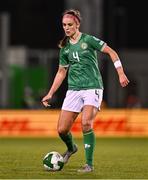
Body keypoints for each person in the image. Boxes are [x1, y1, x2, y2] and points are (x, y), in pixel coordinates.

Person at [42, 9, 129, 172]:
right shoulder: (65, 47)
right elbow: (61, 72)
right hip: (74, 90)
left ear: (77, 25)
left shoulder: (88, 40)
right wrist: (50, 93)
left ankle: (89, 164)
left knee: (86, 123)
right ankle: (71, 148)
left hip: (92, 87)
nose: (66, 28)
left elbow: (111, 52)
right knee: (62, 130)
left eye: (69, 25)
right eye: (64, 25)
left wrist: (121, 73)